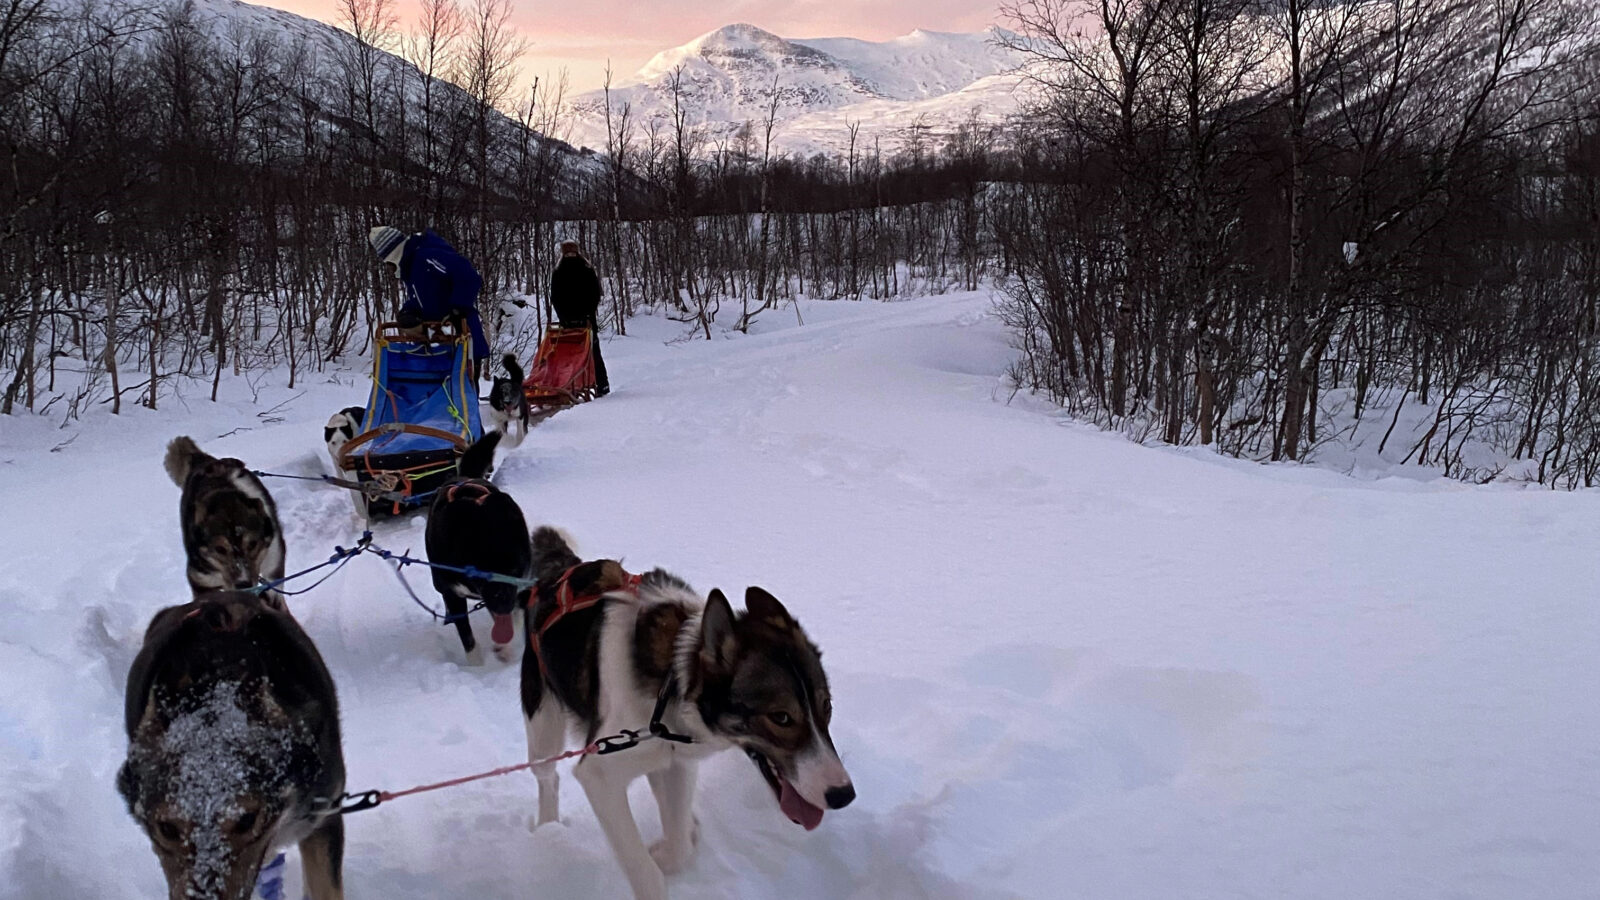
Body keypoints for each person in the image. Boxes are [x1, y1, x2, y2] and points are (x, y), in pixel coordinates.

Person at [368, 226, 490, 378]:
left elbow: (468, 276)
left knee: (462, 394)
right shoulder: (412, 266)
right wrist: (409, 311)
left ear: (393, 255)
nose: (390, 269)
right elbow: (427, 297)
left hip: (461, 336)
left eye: (388, 263)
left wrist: (458, 307)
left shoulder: (426, 256)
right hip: (441, 344)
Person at [548, 239, 610, 397]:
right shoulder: (586, 268)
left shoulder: (558, 270)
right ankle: (601, 385)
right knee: (593, 351)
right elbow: (595, 294)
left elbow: (555, 297)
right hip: (586, 319)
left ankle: (569, 384)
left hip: (567, 322)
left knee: (568, 354)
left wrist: (563, 317)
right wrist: (589, 313)